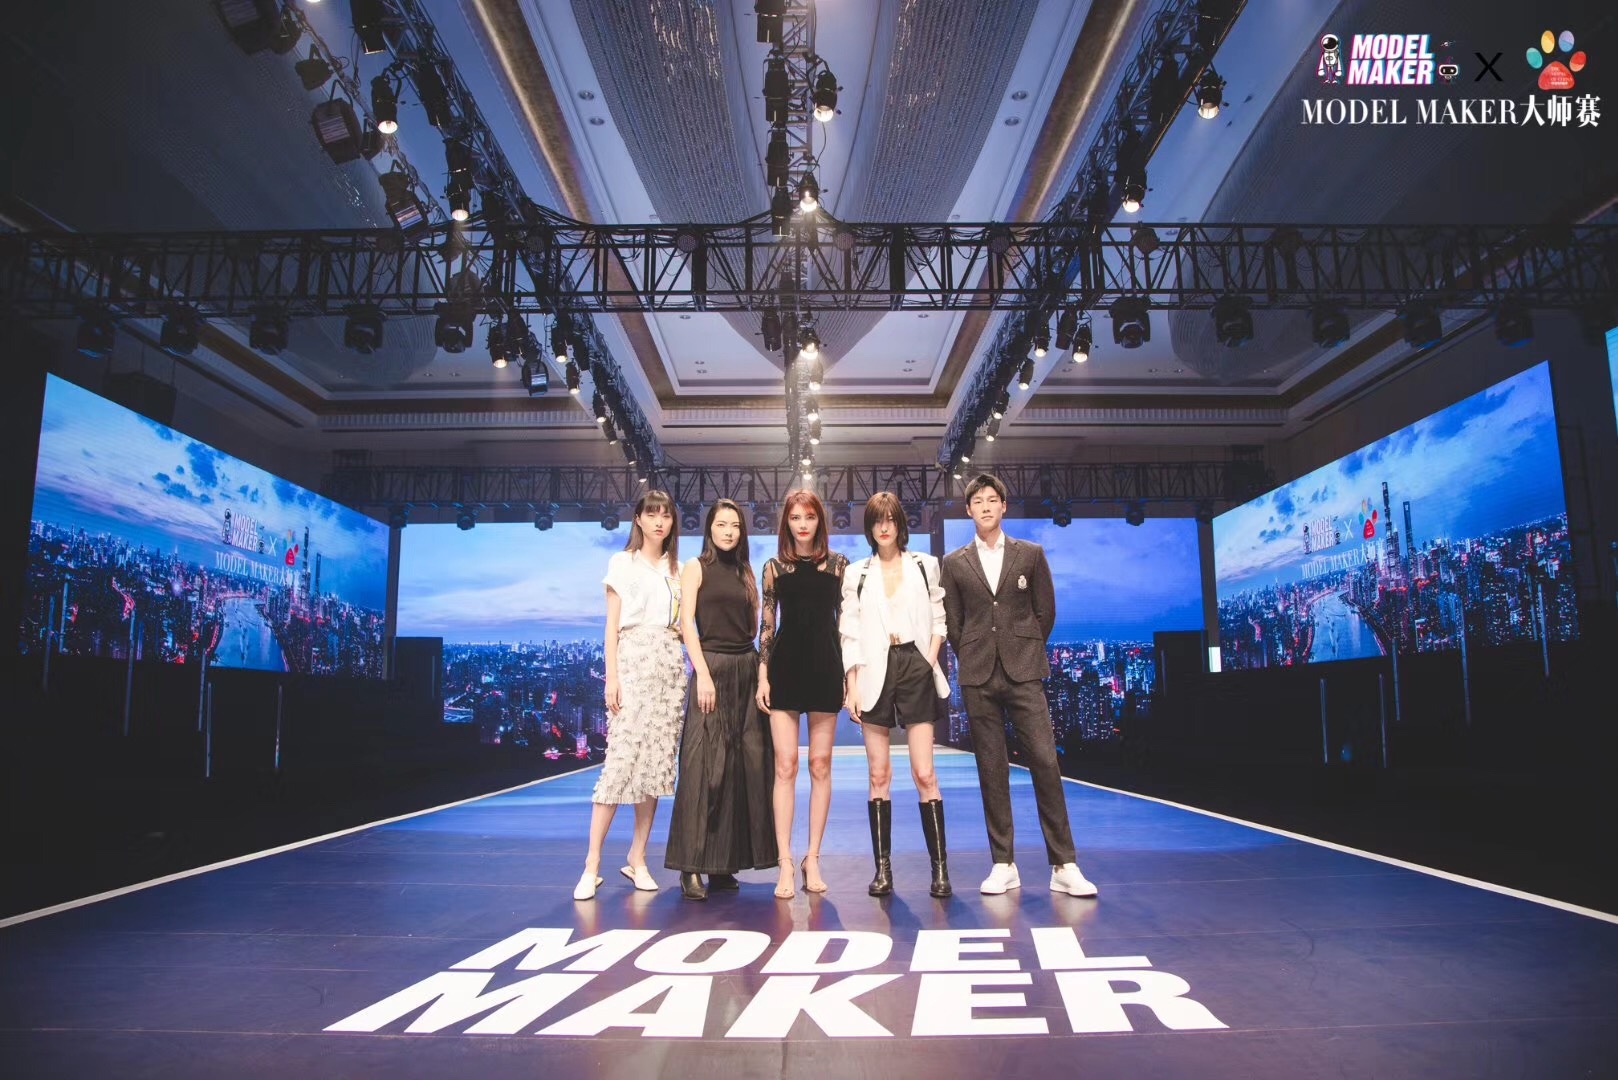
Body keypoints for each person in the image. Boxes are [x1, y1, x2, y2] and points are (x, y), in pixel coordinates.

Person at [940, 474, 1098, 898]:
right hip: (979, 675)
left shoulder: (1030, 554)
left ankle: (1063, 864)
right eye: (978, 501)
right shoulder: (954, 562)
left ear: (1003, 506)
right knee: (991, 770)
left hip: (1024, 672)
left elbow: (1045, 612)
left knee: (1045, 761)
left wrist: (1023, 650)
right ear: (968, 510)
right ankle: (1003, 864)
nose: (986, 506)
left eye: (992, 499)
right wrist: (975, 651)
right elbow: (954, 622)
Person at [573, 490, 687, 901]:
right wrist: (612, 677)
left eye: (666, 515)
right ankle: (591, 865)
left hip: (670, 667)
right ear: (638, 519)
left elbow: (685, 625)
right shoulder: (622, 563)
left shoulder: (678, 569)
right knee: (619, 764)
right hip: (633, 661)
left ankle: (638, 857)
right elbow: (611, 626)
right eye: (651, 514)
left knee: (655, 767)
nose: (659, 521)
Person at [839, 492, 953, 898]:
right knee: (878, 774)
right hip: (874, 670)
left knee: (925, 773)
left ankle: (940, 871)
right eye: (876, 520)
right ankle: (883, 871)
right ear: (869, 527)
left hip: (915, 664)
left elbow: (939, 618)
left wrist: (928, 660)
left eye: (889, 519)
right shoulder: (857, 573)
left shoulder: (924, 565)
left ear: (900, 523)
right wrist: (851, 684)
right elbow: (849, 631)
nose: (883, 527)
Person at [664, 499, 777, 900]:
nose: (728, 531)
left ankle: (723, 865)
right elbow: (687, 625)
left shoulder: (746, 571)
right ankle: (690, 866)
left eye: (735, 526)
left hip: (745, 669)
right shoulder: (695, 567)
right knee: (702, 768)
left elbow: (754, 627)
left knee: (742, 768)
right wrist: (703, 674)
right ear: (709, 528)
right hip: (710, 668)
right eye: (721, 524)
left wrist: (759, 673)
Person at [757, 489, 848, 898]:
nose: (803, 524)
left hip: (826, 667)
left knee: (821, 764)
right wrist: (763, 675)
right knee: (785, 766)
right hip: (785, 669)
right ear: (787, 524)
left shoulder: (839, 565)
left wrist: (849, 675)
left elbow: (845, 625)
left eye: (809, 517)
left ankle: (813, 857)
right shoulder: (773, 568)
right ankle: (785, 862)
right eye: (795, 518)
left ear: (819, 521)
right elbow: (767, 626)